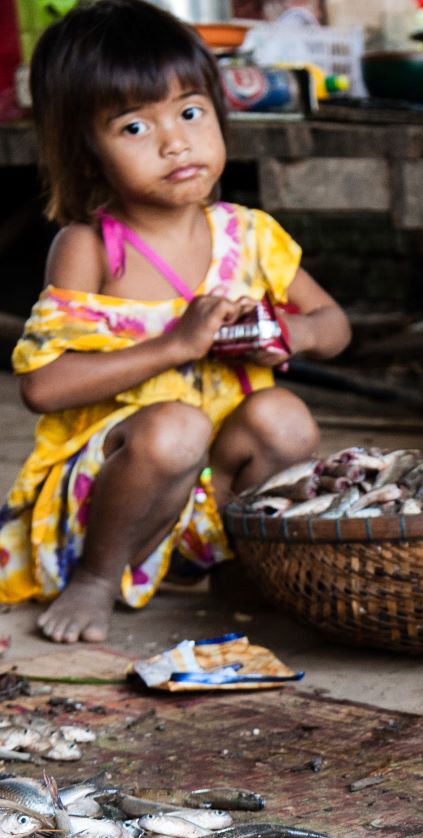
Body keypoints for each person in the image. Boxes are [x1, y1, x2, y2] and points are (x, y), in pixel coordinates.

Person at [0, 0, 350, 645]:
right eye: (134, 128)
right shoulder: (92, 247)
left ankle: (241, 565)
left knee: (285, 416)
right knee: (175, 426)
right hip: (113, 496)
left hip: (212, 491)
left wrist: (286, 333)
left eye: (191, 112)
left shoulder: (250, 237)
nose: (174, 142)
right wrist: (176, 345)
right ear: (86, 150)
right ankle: (98, 578)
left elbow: (334, 324)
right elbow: (42, 388)